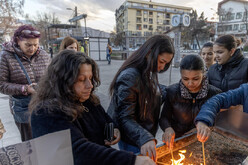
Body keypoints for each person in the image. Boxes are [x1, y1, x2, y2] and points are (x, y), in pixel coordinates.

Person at [30, 50, 155, 165]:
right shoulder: (45, 113)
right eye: (81, 79)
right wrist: (131, 160)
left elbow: (105, 118)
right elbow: (78, 151)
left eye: (90, 78)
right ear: (63, 81)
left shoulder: (86, 100)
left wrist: (114, 128)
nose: (89, 85)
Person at [107, 34, 175, 162]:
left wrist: (178, 89)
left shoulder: (149, 71)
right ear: (150, 53)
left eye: (166, 64)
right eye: (161, 62)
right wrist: (145, 138)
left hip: (144, 137)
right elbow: (125, 117)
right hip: (134, 141)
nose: (161, 68)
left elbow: (153, 92)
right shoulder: (130, 76)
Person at [0, 25, 50, 141]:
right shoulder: (6, 56)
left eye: (36, 44)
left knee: (46, 140)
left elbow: (52, 76)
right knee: (30, 143)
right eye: (28, 45)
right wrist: (25, 89)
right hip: (23, 108)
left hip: (44, 104)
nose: (32, 48)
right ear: (18, 41)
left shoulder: (43, 55)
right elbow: (1, 84)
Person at [159, 55, 221, 149]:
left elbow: (220, 122)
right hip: (178, 140)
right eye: (185, 79)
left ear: (203, 73)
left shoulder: (214, 94)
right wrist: (168, 129)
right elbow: (164, 117)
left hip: (203, 142)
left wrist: (204, 128)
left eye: (195, 79)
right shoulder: (172, 92)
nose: (190, 83)